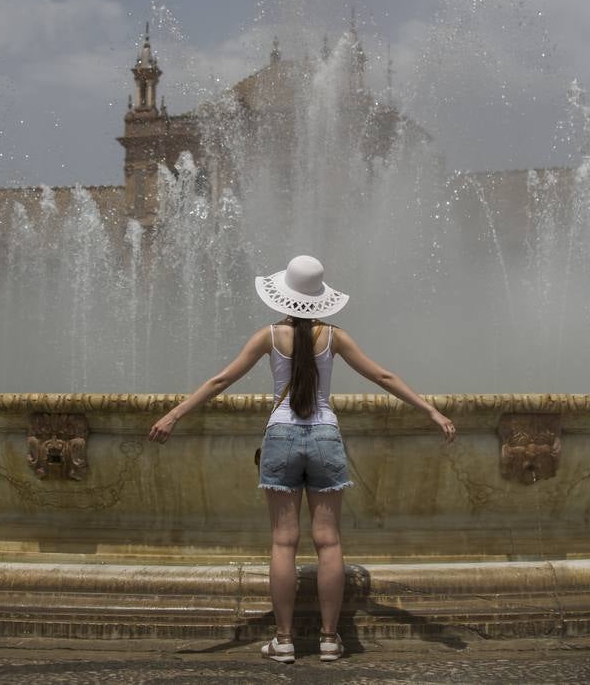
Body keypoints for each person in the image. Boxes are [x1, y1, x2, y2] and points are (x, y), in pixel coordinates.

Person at [149, 255, 456, 664]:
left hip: (281, 436)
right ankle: (330, 640)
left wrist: (173, 415)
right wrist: (431, 411)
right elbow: (383, 376)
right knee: (329, 541)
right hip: (326, 435)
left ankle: (284, 639)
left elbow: (221, 380)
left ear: (284, 295)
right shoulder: (335, 337)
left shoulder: (269, 336)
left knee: (283, 541)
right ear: (320, 300)